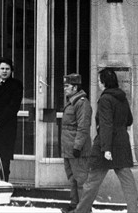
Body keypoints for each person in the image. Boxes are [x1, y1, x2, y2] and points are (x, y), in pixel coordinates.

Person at [75, 67, 138, 213]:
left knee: (93, 182)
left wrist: (106, 149)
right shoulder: (122, 97)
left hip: (105, 144)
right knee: (127, 181)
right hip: (122, 142)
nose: (98, 83)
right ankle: (133, 210)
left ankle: (81, 210)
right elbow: (129, 120)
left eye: (99, 80)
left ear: (104, 82)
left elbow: (106, 125)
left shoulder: (105, 99)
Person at [61, 73, 92, 212]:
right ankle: (74, 205)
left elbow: (83, 127)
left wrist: (77, 146)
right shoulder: (72, 101)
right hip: (69, 148)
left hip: (76, 149)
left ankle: (84, 209)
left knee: (81, 180)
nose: (65, 89)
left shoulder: (82, 103)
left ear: (75, 87)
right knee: (73, 178)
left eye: (67, 86)